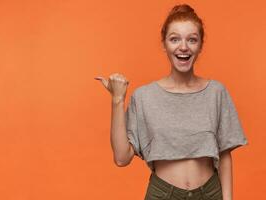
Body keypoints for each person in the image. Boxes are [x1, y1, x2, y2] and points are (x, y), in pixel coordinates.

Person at [95, 3, 248, 200]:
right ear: (164, 44)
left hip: (210, 193)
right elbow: (121, 158)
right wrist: (117, 99)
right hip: (163, 195)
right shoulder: (144, 97)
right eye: (174, 39)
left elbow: (225, 154)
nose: (183, 47)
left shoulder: (216, 93)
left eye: (192, 40)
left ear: (200, 45)